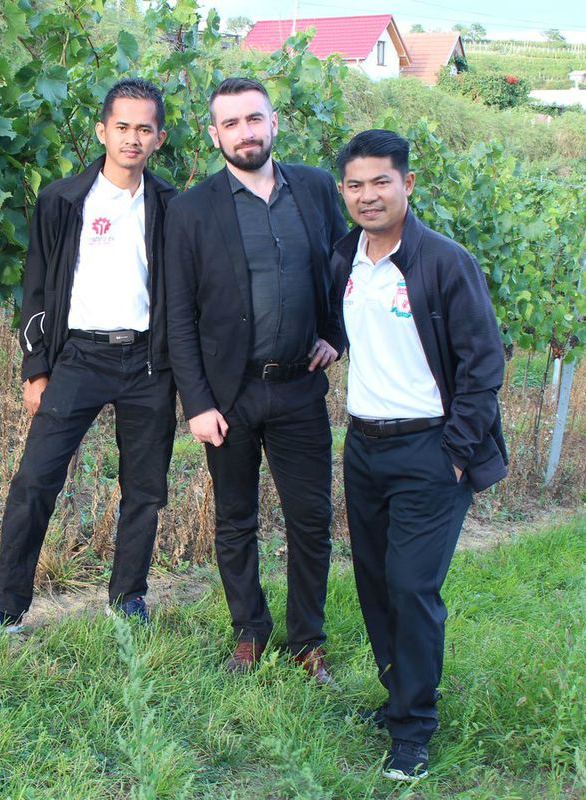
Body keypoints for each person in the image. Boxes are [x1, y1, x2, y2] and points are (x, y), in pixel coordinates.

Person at [0, 78, 178, 631]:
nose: (132, 139)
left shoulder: (172, 206)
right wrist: (35, 369)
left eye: (144, 129)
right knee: (35, 480)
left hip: (148, 362)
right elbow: (36, 287)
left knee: (145, 489)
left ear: (159, 138)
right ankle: (5, 604)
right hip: (79, 357)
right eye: (122, 127)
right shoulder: (62, 200)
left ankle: (127, 598)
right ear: (102, 130)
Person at [332, 129, 507, 781]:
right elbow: (344, 329)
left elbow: (483, 364)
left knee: (411, 586)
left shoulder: (444, 262)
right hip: (363, 446)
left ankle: (414, 730)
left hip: (429, 449)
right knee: (376, 583)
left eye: (381, 181)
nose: (368, 195)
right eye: (355, 185)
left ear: (407, 183)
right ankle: (398, 698)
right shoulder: (345, 258)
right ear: (344, 191)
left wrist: (455, 453)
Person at [164, 77, 347, 677]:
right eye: (231, 123)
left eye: (254, 119)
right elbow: (178, 315)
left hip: (299, 387)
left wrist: (336, 333)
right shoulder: (191, 210)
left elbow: (345, 270)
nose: (245, 133)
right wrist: (197, 402)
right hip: (229, 394)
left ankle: (306, 640)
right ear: (214, 134)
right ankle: (249, 630)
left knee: (311, 520)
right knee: (235, 519)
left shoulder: (315, 189)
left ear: (274, 123)